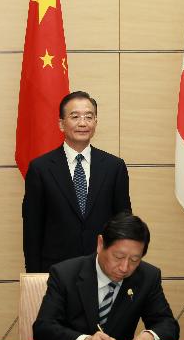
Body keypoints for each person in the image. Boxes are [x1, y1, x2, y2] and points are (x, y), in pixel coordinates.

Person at [33, 212, 179, 340]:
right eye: (118, 256)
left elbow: (168, 324)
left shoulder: (147, 276)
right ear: (100, 244)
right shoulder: (65, 274)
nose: (124, 268)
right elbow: (43, 328)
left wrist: (150, 336)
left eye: (134, 260)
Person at [23, 91, 131, 273]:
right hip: (56, 271)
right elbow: (32, 229)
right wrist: (35, 276)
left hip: (104, 269)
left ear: (95, 122)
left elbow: (123, 224)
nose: (83, 123)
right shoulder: (40, 168)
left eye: (89, 117)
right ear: (61, 124)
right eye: (75, 117)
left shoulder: (114, 167)